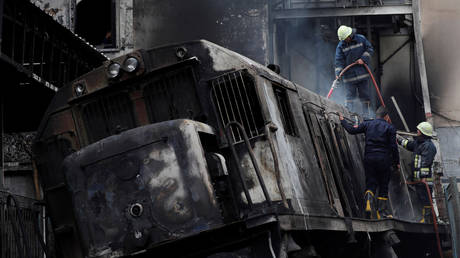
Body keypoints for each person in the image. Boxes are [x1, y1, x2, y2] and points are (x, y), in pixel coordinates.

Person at [339, 106, 399, 219]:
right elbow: (393, 147)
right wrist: (396, 163)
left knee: (371, 182)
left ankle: (368, 202)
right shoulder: (390, 128)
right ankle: (381, 213)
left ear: (377, 115)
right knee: (383, 185)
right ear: (386, 117)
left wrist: (343, 120)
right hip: (383, 160)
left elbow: (351, 130)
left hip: (369, 158)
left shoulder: (367, 124)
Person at [397, 122, 437, 223]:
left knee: (426, 199)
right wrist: (398, 138)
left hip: (425, 180)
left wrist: (423, 177)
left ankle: (428, 219)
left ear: (423, 133)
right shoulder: (418, 143)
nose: (417, 132)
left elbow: (426, 162)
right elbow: (408, 144)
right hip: (418, 179)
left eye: (419, 130)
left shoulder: (428, 146)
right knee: (420, 198)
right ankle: (425, 218)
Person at [335, 25, 374, 117]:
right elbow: (338, 61)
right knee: (349, 97)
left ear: (350, 35)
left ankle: (366, 115)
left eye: (345, 39)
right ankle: (349, 115)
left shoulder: (361, 39)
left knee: (364, 95)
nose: (344, 41)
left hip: (362, 74)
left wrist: (363, 59)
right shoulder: (341, 46)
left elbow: (370, 49)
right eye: (343, 40)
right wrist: (338, 73)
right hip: (349, 77)